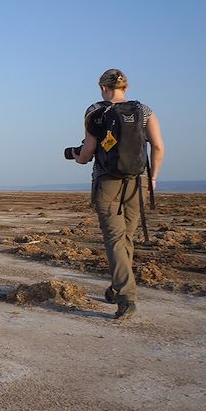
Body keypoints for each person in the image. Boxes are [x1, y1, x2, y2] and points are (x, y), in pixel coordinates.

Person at [73, 69, 165, 320]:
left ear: (103, 87)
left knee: (115, 240)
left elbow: (88, 153)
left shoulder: (95, 110)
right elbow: (157, 146)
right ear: (126, 87)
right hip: (137, 182)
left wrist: (75, 155)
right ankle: (117, 288)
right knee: (125, 238)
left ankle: (126, 298)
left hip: (107, 183)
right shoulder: (144, 111)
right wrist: (153, 178)